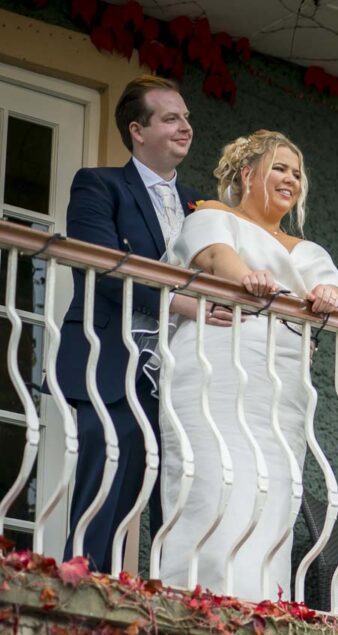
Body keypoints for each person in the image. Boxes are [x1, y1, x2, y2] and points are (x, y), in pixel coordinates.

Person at [157, 130, 338, 601]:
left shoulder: (310, 250)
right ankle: (197, 601)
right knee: (212, 482)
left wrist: (327, 296)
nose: (291, 179)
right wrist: (249, 280)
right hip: (216, 364)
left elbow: (334, 292)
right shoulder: (212, 217)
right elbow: (217, 259)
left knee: (271, 494)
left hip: (281, 385)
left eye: (297, 173)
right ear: (247, 174)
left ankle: (261, 604)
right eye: (280, 168)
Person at [59, 75, 230, 573]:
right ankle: (80, 595)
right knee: (107, 480)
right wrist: (188, 306)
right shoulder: (98, 185)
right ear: (137, 129)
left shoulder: (203, 206)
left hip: (188, 376)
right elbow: (105, 269)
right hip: (114, 362)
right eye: (171, 118)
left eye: (187, 118)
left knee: (180, 495)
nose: (186, 127)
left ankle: (172, 602)